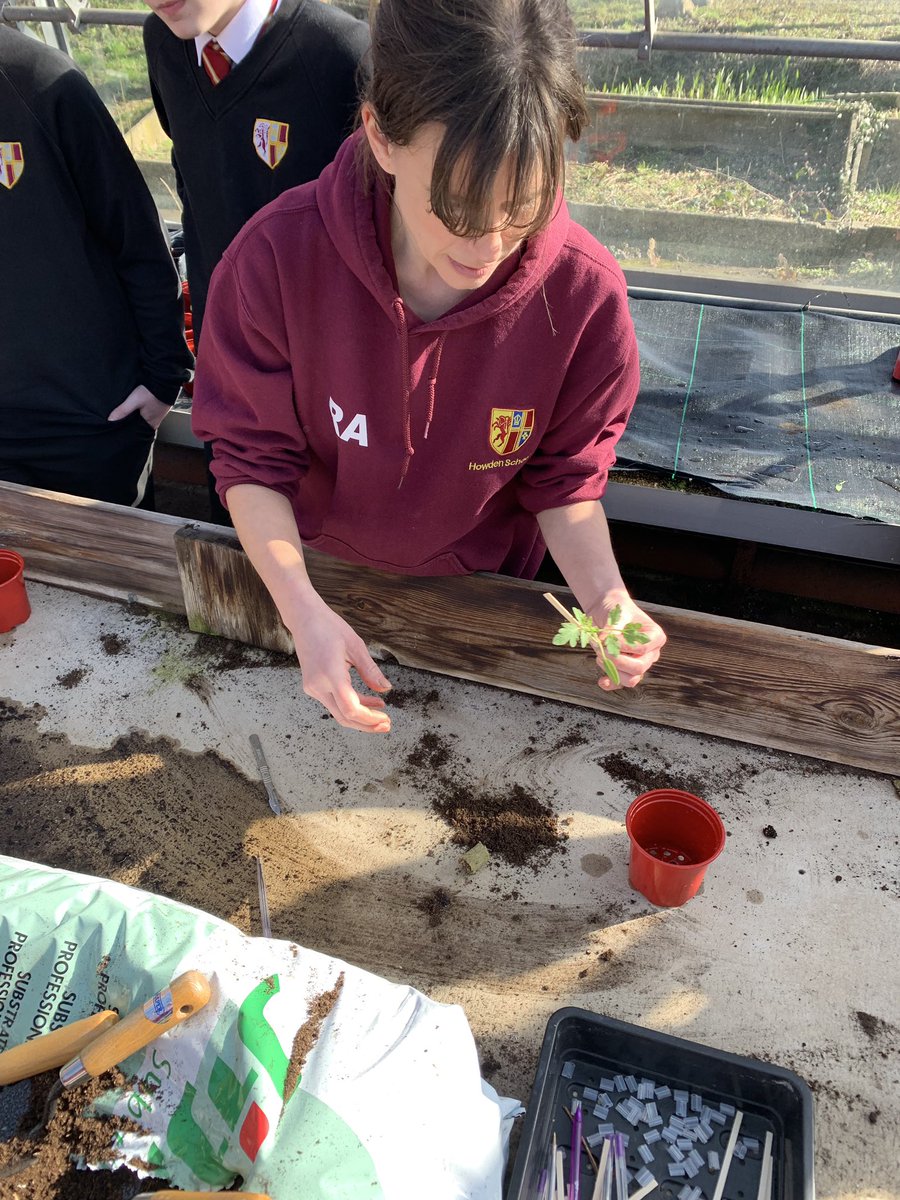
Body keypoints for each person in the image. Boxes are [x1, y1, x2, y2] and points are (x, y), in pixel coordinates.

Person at [192, 0, 667, 733]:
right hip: (320, 581)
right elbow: (252, 464)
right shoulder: (275, 262)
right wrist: (301, 610)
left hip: (485, 598)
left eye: (523, 208)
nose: (488, 248)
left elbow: (566, 479)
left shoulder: (584, 296)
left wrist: (607, 601)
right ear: (382, 135)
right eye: (457, 210)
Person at [142, 0, 370, 521]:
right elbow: (195, 175)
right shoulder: (163, 42)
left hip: (325, 380)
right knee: (234, 537)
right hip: (228, 370)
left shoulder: (343, 56)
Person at [0, 24, 192, 507]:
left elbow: (138, 240)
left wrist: (162, 377)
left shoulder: (43, 83)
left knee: (119, 579)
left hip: (87, 428)